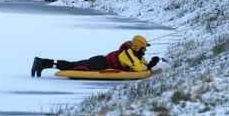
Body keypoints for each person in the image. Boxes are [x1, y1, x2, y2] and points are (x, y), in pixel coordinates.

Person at [31, 34, 159, 77]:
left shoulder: (135, 53)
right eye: (143, 48)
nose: (144, 51)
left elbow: (142, 64)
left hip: (100, 61)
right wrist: (149, 67)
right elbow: (138, 68)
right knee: (71, 66)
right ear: (137, 46)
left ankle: (42, 62)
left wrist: (150, 63)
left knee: (72, 64)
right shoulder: (128, 54)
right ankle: (42, 63)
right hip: (98, 64)